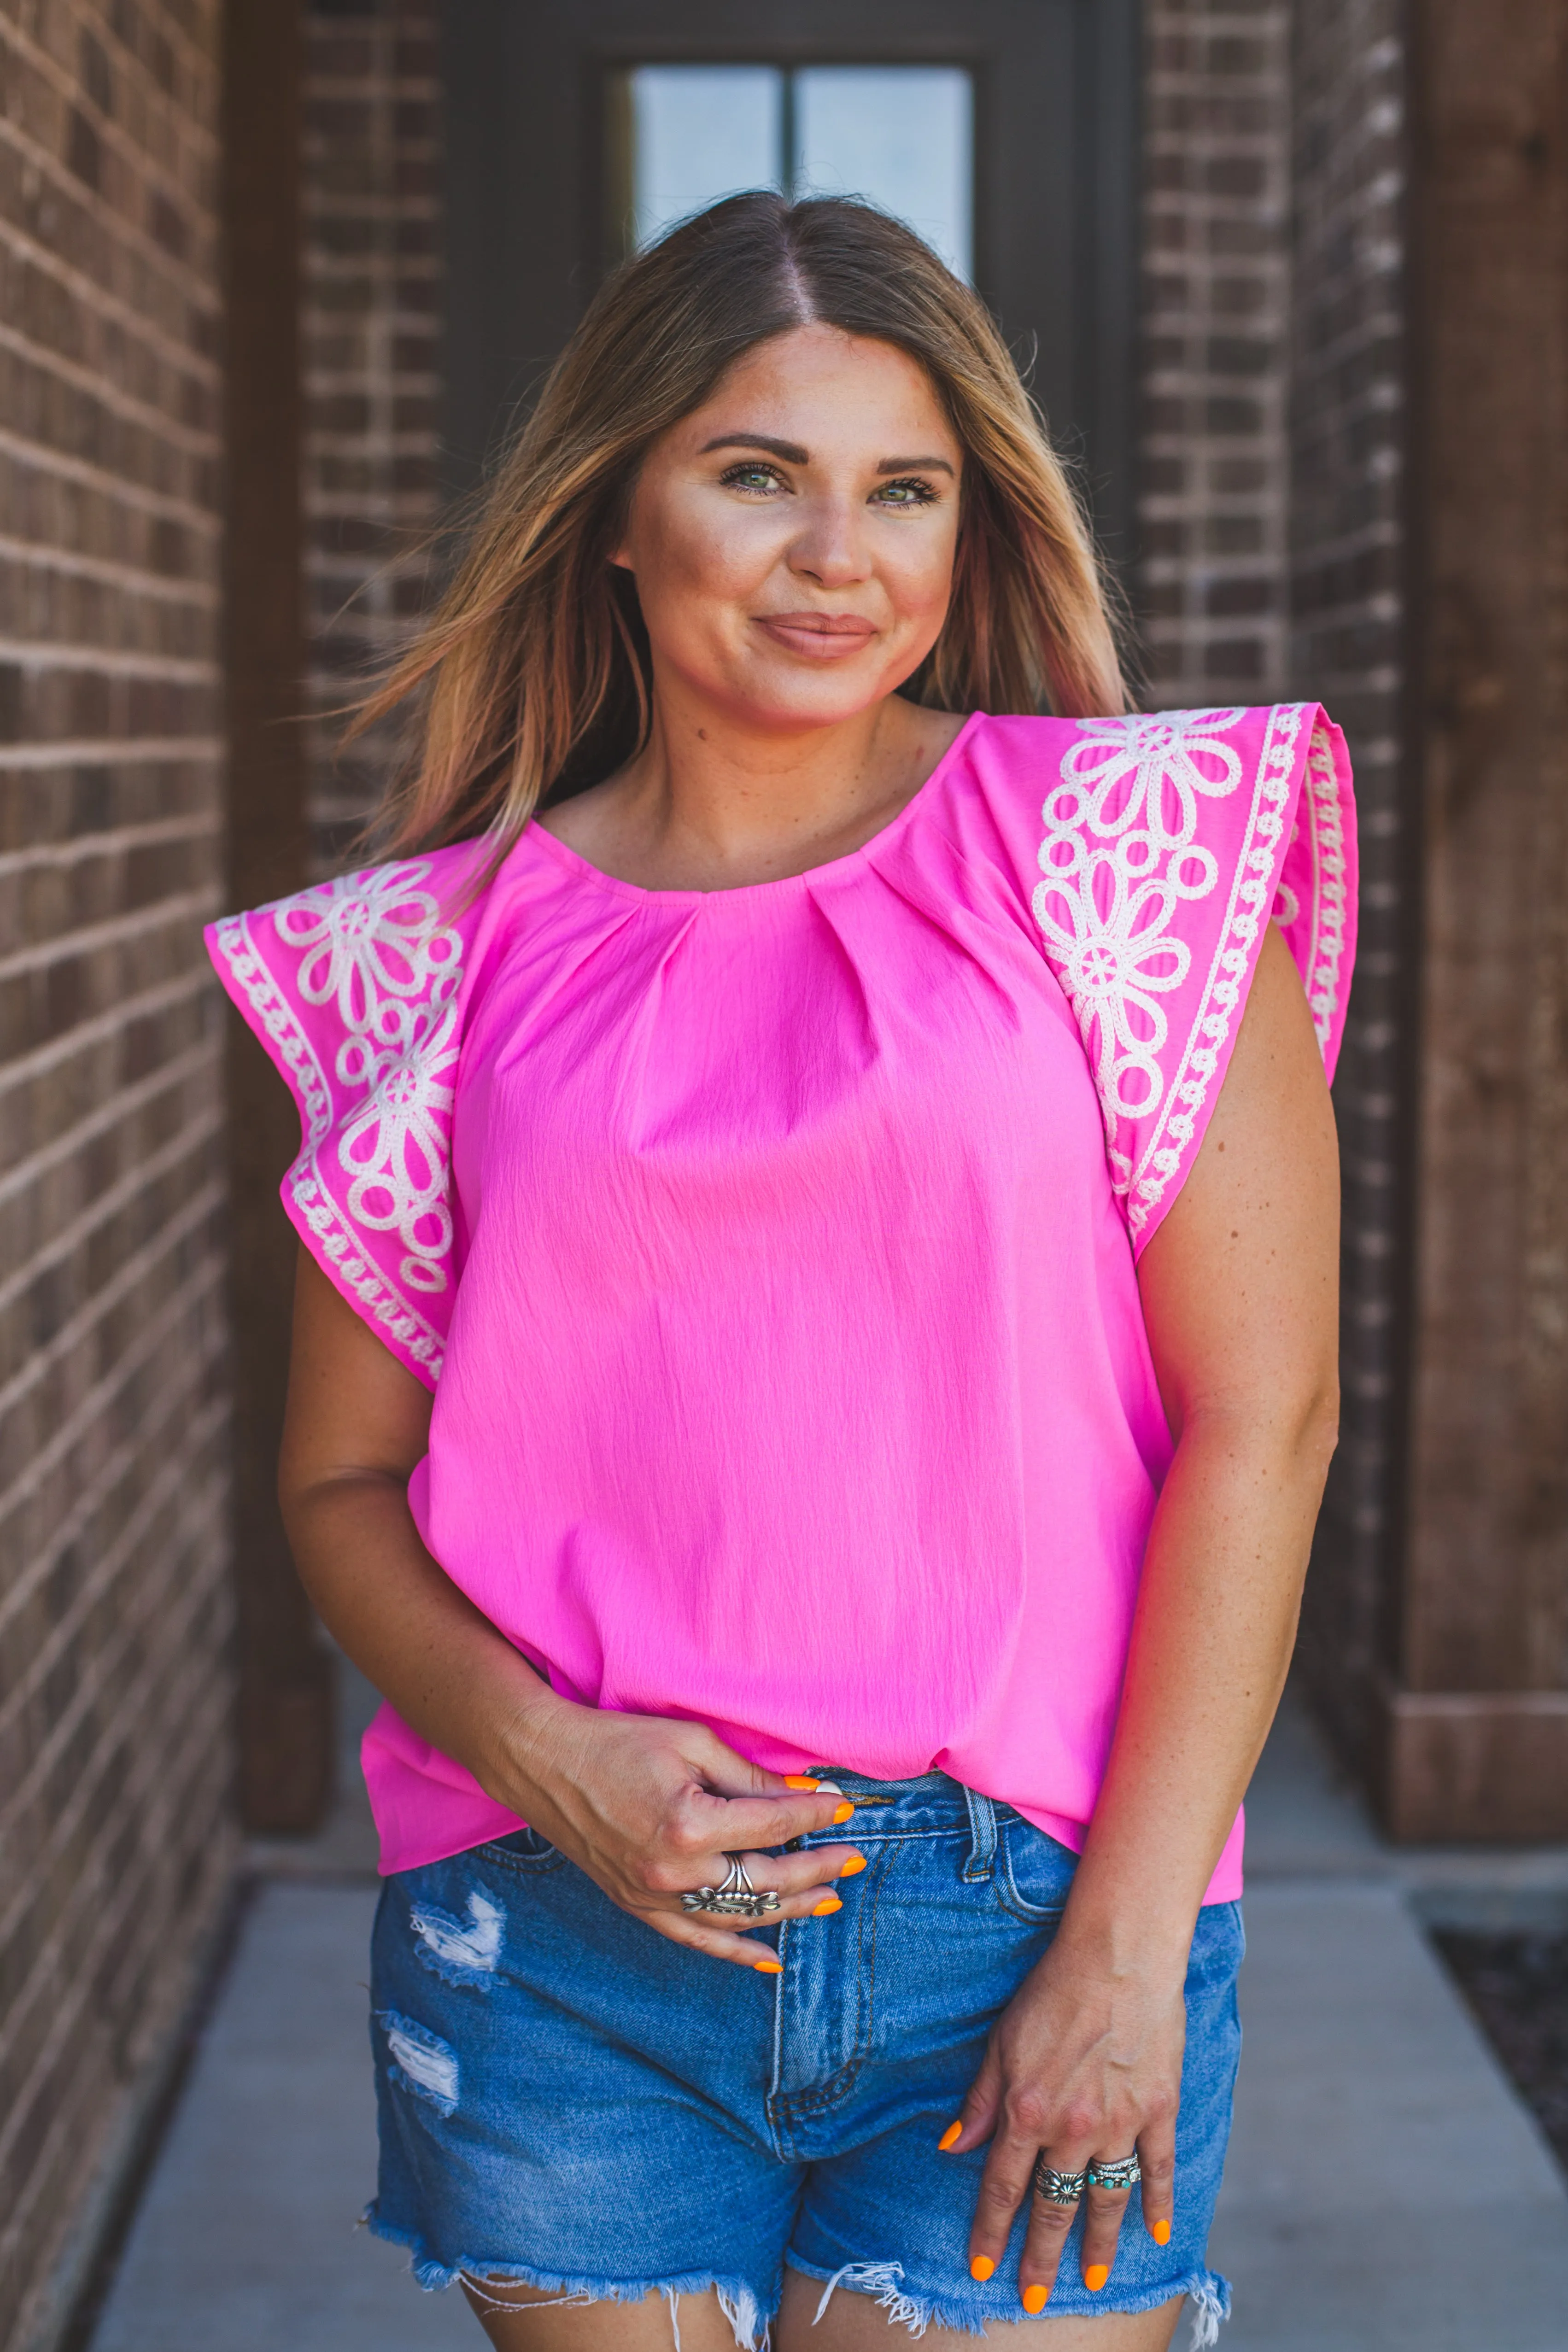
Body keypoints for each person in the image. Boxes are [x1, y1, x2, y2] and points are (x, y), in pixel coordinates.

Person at [209, 193, 1354, 2352]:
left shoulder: (1132, 852)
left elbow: (1260, 1419)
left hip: (1027, 1917)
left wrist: (1123, 1945)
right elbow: (337, 1490)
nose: (842, 556)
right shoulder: (431, 961)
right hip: (560, 1933)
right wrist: (546, 1753)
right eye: (758, 475)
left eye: (901, 490)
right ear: (614, 517)